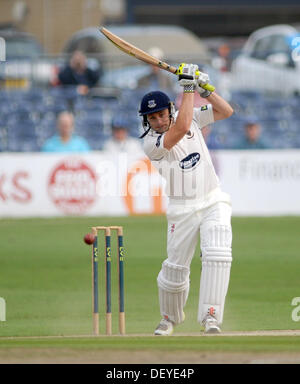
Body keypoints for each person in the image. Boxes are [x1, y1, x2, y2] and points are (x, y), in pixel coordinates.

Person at [139, 63, 234, 335]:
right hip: (182, 208)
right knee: (175, 269)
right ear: (147, 121)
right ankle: (169, 318)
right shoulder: (151, 143)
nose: (158, 121)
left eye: (161, 114)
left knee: (218, 251)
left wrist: (207, 89)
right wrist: (189, 86)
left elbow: (225, 111)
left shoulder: (188, 115)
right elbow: (179, 130)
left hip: (212, 199)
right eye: (152, 118)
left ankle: (211, 318)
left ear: (169, 109)